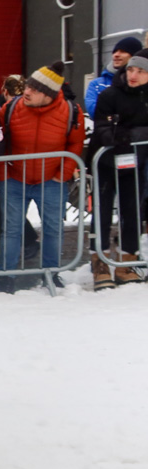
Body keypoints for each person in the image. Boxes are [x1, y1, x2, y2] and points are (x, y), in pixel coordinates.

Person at [0, 62, 85, 291]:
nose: (27, 91)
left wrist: (62, 174)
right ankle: (6, 275)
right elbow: (1, 142)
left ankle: (51, 274)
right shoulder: (11, 107)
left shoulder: (71, 112)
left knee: (53, 229)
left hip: (51, 180)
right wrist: (3, 175)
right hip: (14, 178)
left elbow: (75, 144)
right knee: (12, 230)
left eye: (34, 89)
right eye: (28, 86)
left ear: (49, 95)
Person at [89, 47, 148, 288]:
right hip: (106, 161)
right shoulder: (110, 95)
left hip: (136, 163)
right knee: (102, 212)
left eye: (141, 71)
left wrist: (133, 134)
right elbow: (103, 128)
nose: (133, 75)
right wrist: (119, 134)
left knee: (132, 211)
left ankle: (128, 260)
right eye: (131, 69)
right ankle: (99, 261)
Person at [85, 36, 142, 119]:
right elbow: (95, 112)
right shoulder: (97, 84)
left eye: (122, 51)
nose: (116, 55)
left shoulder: (141, 82)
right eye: (115, 52)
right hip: (107, 131)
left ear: (134, 56)